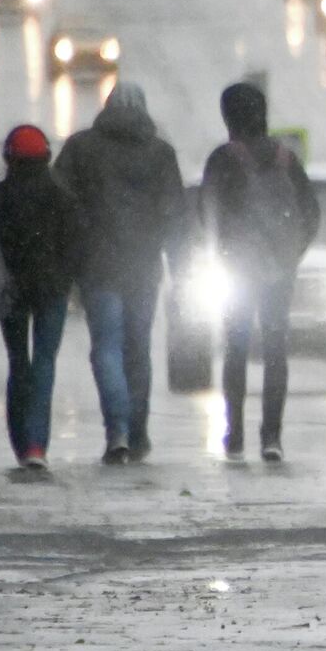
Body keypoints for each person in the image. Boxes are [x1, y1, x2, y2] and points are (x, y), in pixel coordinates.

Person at [55, 82, 185, 465]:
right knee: (138, 349)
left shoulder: (80, 149)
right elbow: (175, 213)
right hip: (143, 267)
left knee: (106, 349)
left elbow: (61, 204)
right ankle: (139, 430)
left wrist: (72, 251)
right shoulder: (161, 154)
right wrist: (176, 260)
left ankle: (118, 431)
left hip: (98, 266)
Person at [200, 83, 319, 462]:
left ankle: (234, 433)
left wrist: (221, 252)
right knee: (275, 350)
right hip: (279, 269)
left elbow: (206, 212)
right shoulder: (287, 158)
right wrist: (291, 253)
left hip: (238, 269)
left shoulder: (223, 159)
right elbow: (311, 213)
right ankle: (272, 436)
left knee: (235, 349)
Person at [0, 126, 84, 472]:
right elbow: (77, 245)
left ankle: (21, 443)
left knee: (18, 362)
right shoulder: (61, 197)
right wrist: (68, 279)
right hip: (52, 290)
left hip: (11, 292)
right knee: (45, 361)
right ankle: (37, 444)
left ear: (9, 158)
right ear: (46, 157)